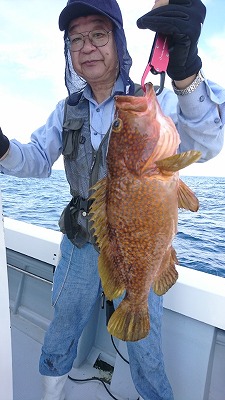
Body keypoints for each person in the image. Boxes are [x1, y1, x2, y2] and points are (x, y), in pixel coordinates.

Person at [1, 0, 225, 399]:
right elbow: (35, 160)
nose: (87, 47)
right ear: (69, 53)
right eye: (76, 40)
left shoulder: (151, 102)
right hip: (80, 237)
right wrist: (2, 148)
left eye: (98, 35)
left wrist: (186, 72)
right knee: (64, 322)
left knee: (146, 344)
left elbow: (207, 140)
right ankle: (51, 391)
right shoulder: (65, 110)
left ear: (118, 40)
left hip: (140, 246)